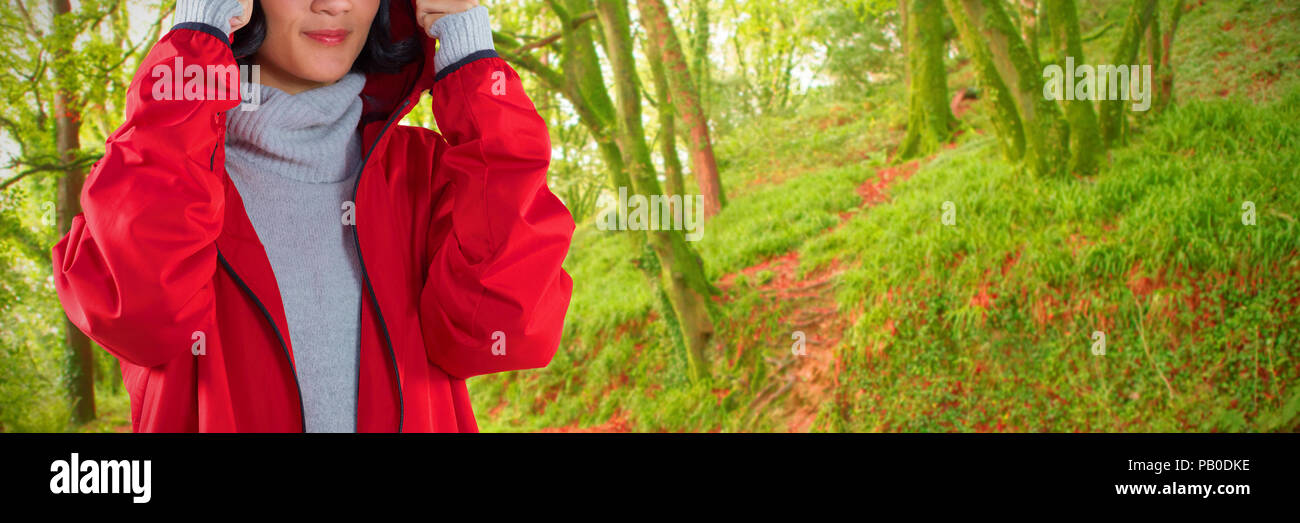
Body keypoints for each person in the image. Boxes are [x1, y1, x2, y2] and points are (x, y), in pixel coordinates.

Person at [50, 0, 575, 432]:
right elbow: (140, 320)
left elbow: (497, 334)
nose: (335, 5)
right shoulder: (159, 168)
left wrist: (471, 59)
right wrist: (193, 45)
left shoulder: (431, 173)